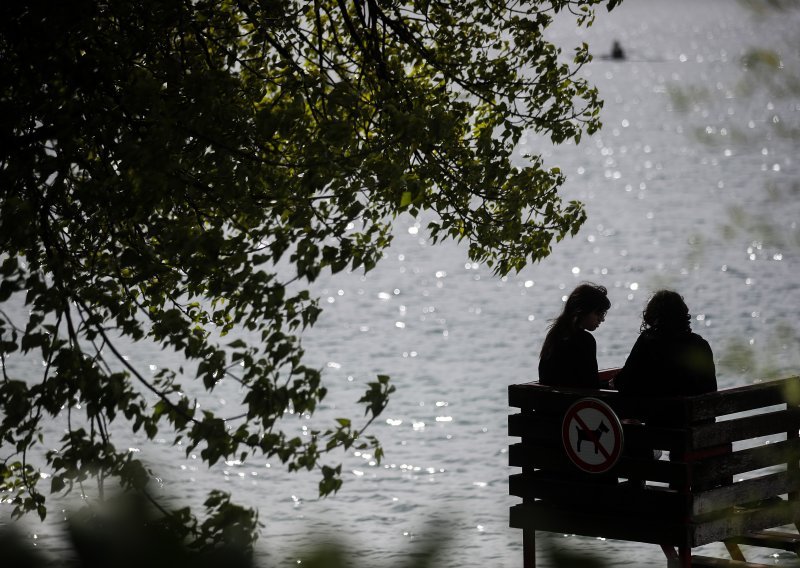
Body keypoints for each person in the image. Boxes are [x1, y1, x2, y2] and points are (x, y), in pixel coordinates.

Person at [614, 290, 716, 397]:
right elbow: (710, 388)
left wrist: (614, 381)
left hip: (657, 412)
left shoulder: (648, 341)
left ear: (653, 315)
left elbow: (625, 382)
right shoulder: (700, 344)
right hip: (692, 412)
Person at [538, 283, 611, 389]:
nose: (602, 319)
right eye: (598, 313)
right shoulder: (585, 340)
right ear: (582, 311)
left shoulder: (554, 335)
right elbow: (591, 385)